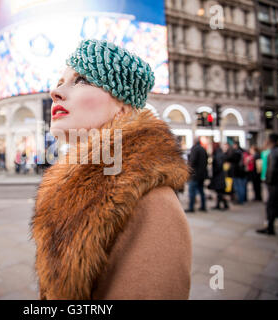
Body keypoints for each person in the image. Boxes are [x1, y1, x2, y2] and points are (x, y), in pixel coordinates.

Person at [30, 39, 191, 300]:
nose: (55, 92)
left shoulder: (151, 204)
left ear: (123, 110)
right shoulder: (73, 181)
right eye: (60, 82)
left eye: (82, 80)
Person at [185, 138, 208, 213]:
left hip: (195, 174)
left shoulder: (195, 149)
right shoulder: (203, 149)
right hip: (202, 174)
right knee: (201, 191)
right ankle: (203, 206)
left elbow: (192, 161)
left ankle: (191, 207)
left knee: (192, 191)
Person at [209, 142, 228, 211]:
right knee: (219, 191)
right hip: (220, 175)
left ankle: (223, 205)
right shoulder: (219, 153)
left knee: (219, 191)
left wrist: (214, 171)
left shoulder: (218, 154)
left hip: (218, 176)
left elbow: (218, 165)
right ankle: (222, 205)